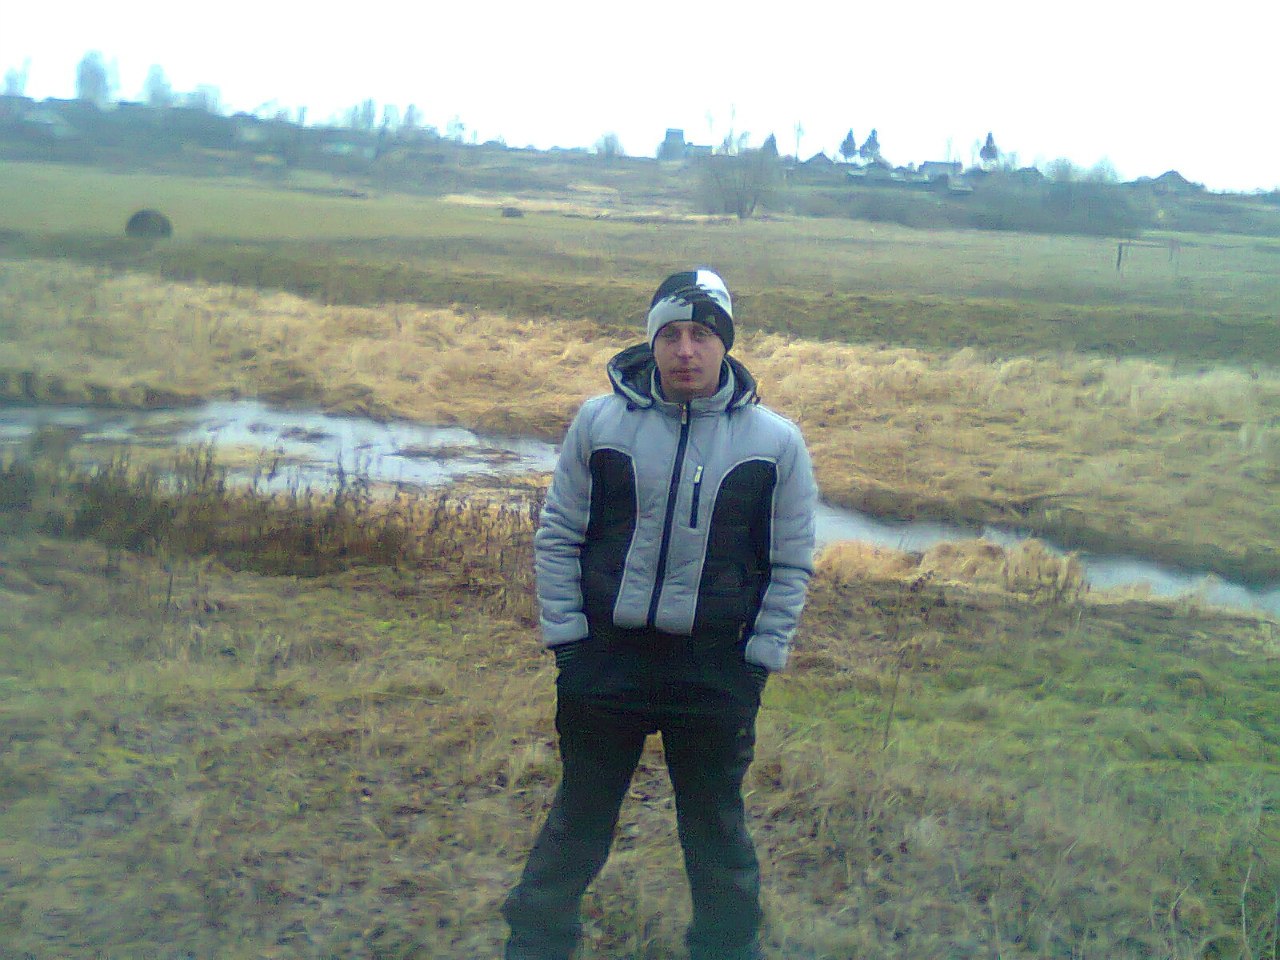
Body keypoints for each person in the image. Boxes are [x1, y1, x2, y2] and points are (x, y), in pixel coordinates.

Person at [503, 269, 817, 960]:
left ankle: (726, 948)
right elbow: (559, 535)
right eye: (670, 334)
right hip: (605, 661)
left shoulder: (776, 443)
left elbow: (791, 562)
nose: (685, 350)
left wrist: (758, 662)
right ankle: (536, 943)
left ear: (725, 344)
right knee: (579, 817)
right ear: (651, 341)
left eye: (701, 334)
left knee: (716, 832)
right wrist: (569, 642)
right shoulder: (599, 423)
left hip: (714, 671)